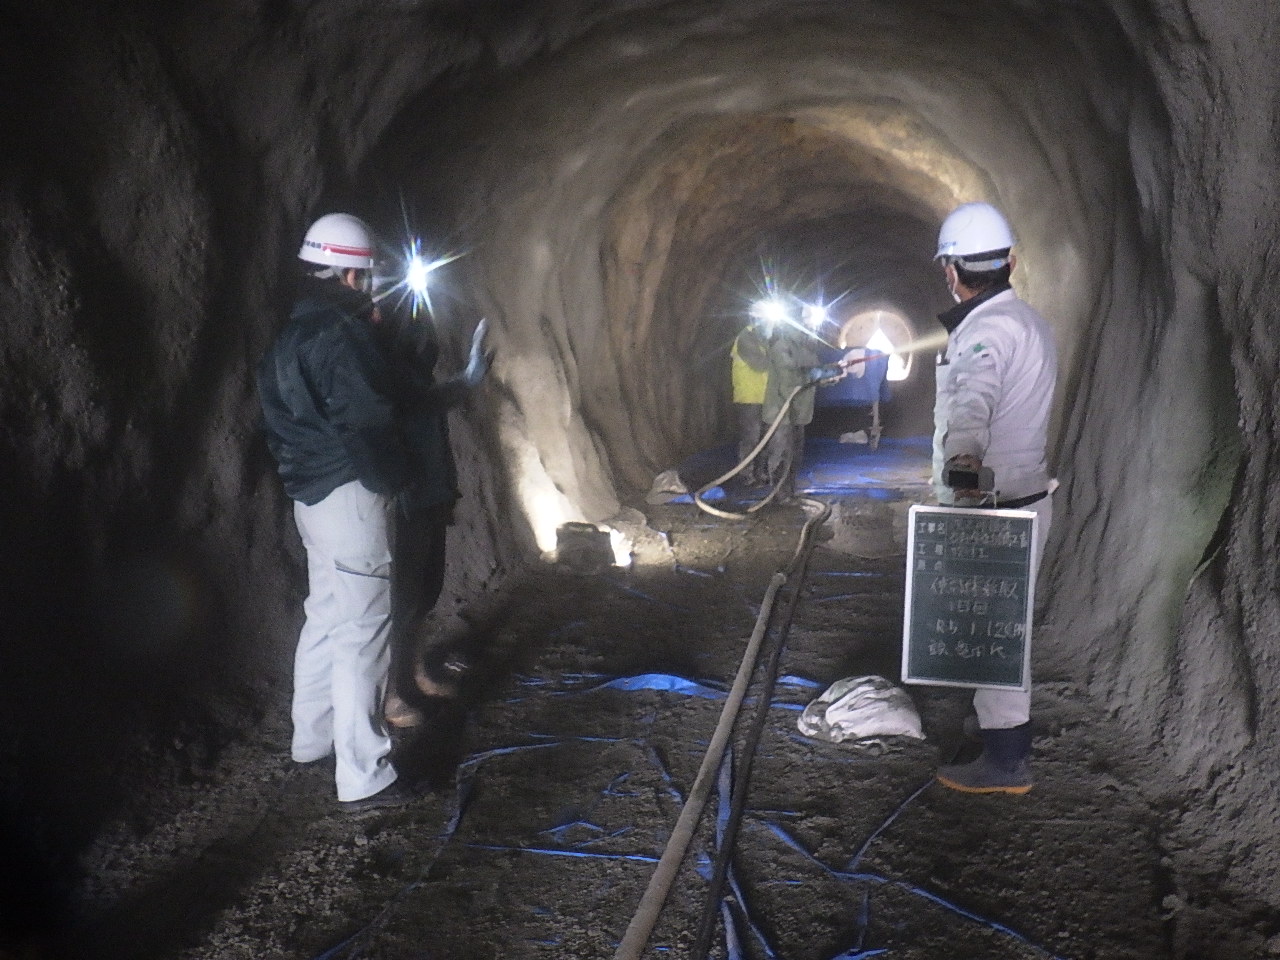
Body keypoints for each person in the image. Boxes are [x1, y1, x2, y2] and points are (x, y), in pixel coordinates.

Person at [257, 212, 417, 814]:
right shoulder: (342, 336)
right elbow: (368, 421)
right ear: (352, 274)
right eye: (367, 274)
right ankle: (363, 773)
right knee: (363, 631)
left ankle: (311, 738)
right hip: (350, 496)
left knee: (325, 613)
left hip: (310, 498)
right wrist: (393, 481)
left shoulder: (290, 333)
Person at [930, 201, 1058, 795]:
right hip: (1025, 496)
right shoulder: (1028, 321)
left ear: (951, 270)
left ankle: (1006, 761)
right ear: (1010, 262)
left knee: (996, 633)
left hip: (996, 504)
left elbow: (973, 402)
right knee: (998, 628)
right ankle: (994, 735)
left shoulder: (985, 331)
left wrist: (962, 469)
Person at [377, 304, 490, 730]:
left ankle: (412, 674)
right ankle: (392, 691)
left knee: (424, 593)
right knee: (403, 598)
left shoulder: (412, 371)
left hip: (428, 494)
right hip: (406, 498)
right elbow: (418, 405)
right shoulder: (382, 368)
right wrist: (466, 380)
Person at [735, 301, 836, 500]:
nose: (813, 326)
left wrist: (832, 372)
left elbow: (812, 370)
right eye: (807, 320)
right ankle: (758, 481)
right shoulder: (763, 340)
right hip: (763, 400)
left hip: (790, 405)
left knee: (789, 451)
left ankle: (778, 487)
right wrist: (815, 373)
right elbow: (781, 373)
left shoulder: (801, 345)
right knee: (763, 443)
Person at [730, 323, 769, 485]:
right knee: (751, 438)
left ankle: (760, 473)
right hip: (748, 397)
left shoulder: (763, 338)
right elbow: (760, 364)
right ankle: (746, 474)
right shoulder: (746, 337)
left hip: (764, 396)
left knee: (765, 438)